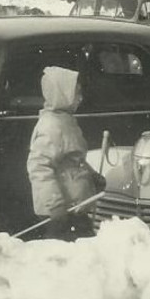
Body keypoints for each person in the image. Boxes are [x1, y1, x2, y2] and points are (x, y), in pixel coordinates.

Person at [25, 67, 105, 240]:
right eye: (76, 93)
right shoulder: (51, 126)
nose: (81, 98)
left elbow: (73, 159)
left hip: (75, 207)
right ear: (61, 94)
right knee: (63, 254)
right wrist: (55, 204)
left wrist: (92, 176)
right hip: (60, 212)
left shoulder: (66, 120)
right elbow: (39, 167)